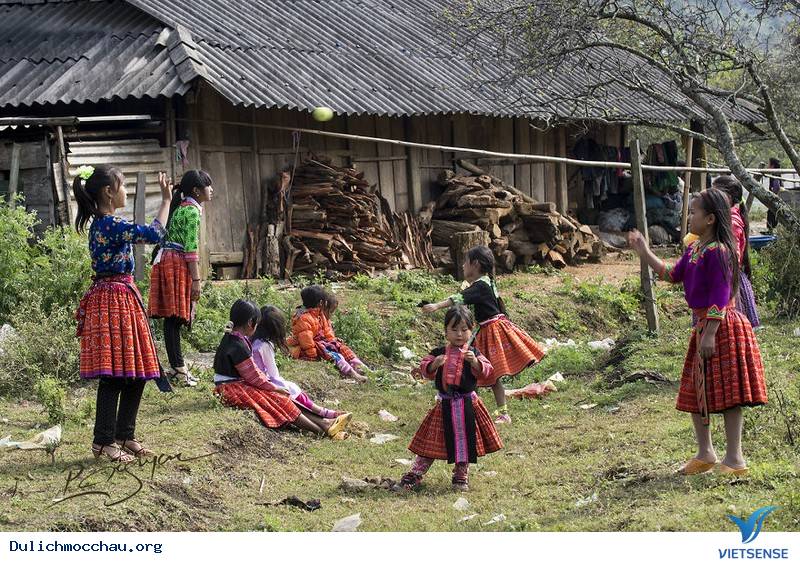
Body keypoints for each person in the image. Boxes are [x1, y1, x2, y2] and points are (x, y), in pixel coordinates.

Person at [628, 188, 767, 476]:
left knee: (730, 394)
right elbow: (671, 274)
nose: (689, 216)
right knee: (696, 389)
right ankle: (705, 453)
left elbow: (721, 292)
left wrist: (710, 332)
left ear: (711, 219)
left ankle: (735, 458)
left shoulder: (721, 252)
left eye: (694, 212)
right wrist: (645, 252)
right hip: (705, 326)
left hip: (723, 326)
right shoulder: (694, 249)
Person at [73, 165, 172, 462]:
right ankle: (103, 442)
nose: (126, 191)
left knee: (137, 370)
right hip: (112, 300)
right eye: (124, 185)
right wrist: (167, 200)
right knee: (114, 374)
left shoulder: (108, 224)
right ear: (108, 191)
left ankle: (124, 435)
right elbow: (154, 234)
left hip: (122, 297)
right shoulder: (108, 225)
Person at [422, 246, 545, 423]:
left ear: (475, 264)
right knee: (476, 371)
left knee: (486, 372)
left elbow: (459, 298)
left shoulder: (481, 285)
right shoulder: (485, 282)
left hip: (491, 332)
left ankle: (496, 413)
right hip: (487, 330)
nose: (463, 266)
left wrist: (435, 306)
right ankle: (474, 409)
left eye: (465, 262)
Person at [396, 305, 502, 492]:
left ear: (472, 330)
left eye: (464, 329)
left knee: (465, 441)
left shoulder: (474, 353)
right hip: (444, 404)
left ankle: (461, 476)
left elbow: (488, 372)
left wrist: (475, 362)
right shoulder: (438, 352)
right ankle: (415, 474)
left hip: (468, 404)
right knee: (431, 441)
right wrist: (433, 365)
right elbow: (424, 369)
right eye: (454, 329)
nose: (459, 334)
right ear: (446, 331)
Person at [213, 300, 351, 438]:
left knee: (283, 398)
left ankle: (326, 423)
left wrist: (273, 387)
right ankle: (323, 430)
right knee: (281, 399)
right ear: (250, 323)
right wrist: (274, 388)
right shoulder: (238, 346)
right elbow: (254, 377)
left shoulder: (234, 339)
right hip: (231, 388)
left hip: (236, 385)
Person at [148, 170, 214, 386]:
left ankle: (179, 369)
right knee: (174, 318)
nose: (211, 190)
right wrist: (197, 281)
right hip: (176, 262)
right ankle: (178, 370)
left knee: (174, 318)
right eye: (208, 186)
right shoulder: (192, 212)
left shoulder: (185, 208)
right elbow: (191, 248)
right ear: (196, 190)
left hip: (169, 260)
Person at [252, 305, 347, 419]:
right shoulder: (265, 345)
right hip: (265, 381)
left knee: (292, 389)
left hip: (258, 380)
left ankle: (323, 413)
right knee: (292, 389)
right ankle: (323, 413)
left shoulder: (253, 341)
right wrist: (281, 386)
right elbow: (273, 374)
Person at [287, 286, 369, 383]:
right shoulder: (303, 318)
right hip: (309, 347)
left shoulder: (319, 314)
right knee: (335, 356)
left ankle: (361, 367)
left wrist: (333, 342)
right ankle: (352, 373)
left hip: (322, 342)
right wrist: (312, 355)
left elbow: (327, 331)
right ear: (321, 303)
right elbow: (306, 340)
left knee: (342, 348)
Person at [710, 175, 760, 328]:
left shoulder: (731, 222)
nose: (712, 198)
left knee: (730, 329)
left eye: (716, 193)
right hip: (724, 276)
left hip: (728, 279)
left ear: (729, 198)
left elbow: (732, 255)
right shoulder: (723, 218)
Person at [766, 157, 783, 232]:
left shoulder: (775, 174)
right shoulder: (775, 173)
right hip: (776, 197)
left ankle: (771, 230)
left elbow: (777, 186)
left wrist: (773, 193)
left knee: (772, 213)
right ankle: (771, 230)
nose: (768, 165)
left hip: (775, 197)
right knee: (772, 213)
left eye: (768, 164)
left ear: (772, 165)